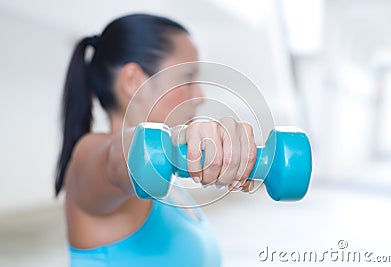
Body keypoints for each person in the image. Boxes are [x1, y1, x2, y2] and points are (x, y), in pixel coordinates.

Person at [56, 13, 257, 267]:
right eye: (188, 77)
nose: (201, 96)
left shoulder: (169, 184)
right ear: (134, 81)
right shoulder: (91, 155)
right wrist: (178, 137)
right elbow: (119, 158)